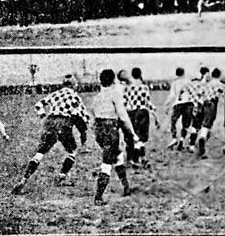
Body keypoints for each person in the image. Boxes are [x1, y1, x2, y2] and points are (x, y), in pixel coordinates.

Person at [13, 75, 90, 194]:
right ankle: (62, 176)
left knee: (40, 153)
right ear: (74, 85)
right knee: (72, 151)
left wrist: (43, 116)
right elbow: (83, 116)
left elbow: (38, 105)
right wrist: (83, 136)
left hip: (49, 122)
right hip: (64, 122)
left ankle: (23, 180)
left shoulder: (55, 94)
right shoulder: (75, 97)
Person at [89, 69, 143, 205]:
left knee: (118, 154)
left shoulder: (96, 98)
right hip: (110, 128)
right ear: (113, 80)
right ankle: (98, 197)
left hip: (99, 129)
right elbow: (123, 117)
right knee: (107, 162)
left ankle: (126, 186)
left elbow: (92, 121)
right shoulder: (115, 95)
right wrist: (132, 133)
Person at [122, 67, 159, 168]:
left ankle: (139, 159)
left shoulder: (127, 88)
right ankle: (137, 159)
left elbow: (124, 103)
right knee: (141, 138)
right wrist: (155, 116)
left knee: (134, 137)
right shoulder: (144, 87)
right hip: (142, 113)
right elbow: (148, 103)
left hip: (131, 114)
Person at [195, 68, 225, 158]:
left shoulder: (207, 84)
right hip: (211, 104)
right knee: (207, 124)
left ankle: (202, 139)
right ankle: (202, 138)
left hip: (203, 103)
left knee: (205, 123)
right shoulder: (219, 84)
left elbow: (199, 93)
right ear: (219, 75)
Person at [165, 67, 191, 150]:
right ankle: (182, 140)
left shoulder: (175, 83)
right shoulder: (188, 82)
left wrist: (167, 105)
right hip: (188, 103)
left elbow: (171, 95)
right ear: (184, 73)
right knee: (185, 123)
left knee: (174, 121)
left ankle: (174, 138)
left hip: (178, 104)